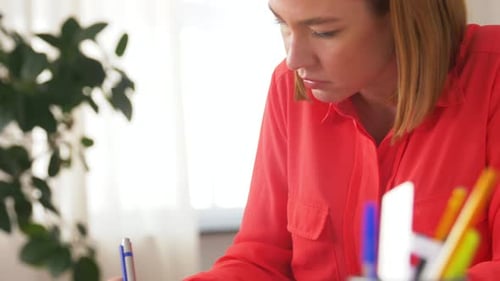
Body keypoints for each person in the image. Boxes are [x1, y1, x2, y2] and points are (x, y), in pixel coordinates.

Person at [110, 0, 500, 280]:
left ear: (403, 16)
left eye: (323, 31)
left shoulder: (493, 75)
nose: (295, 58)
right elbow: (262, 260)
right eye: (280, 23)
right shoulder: (289, 89)